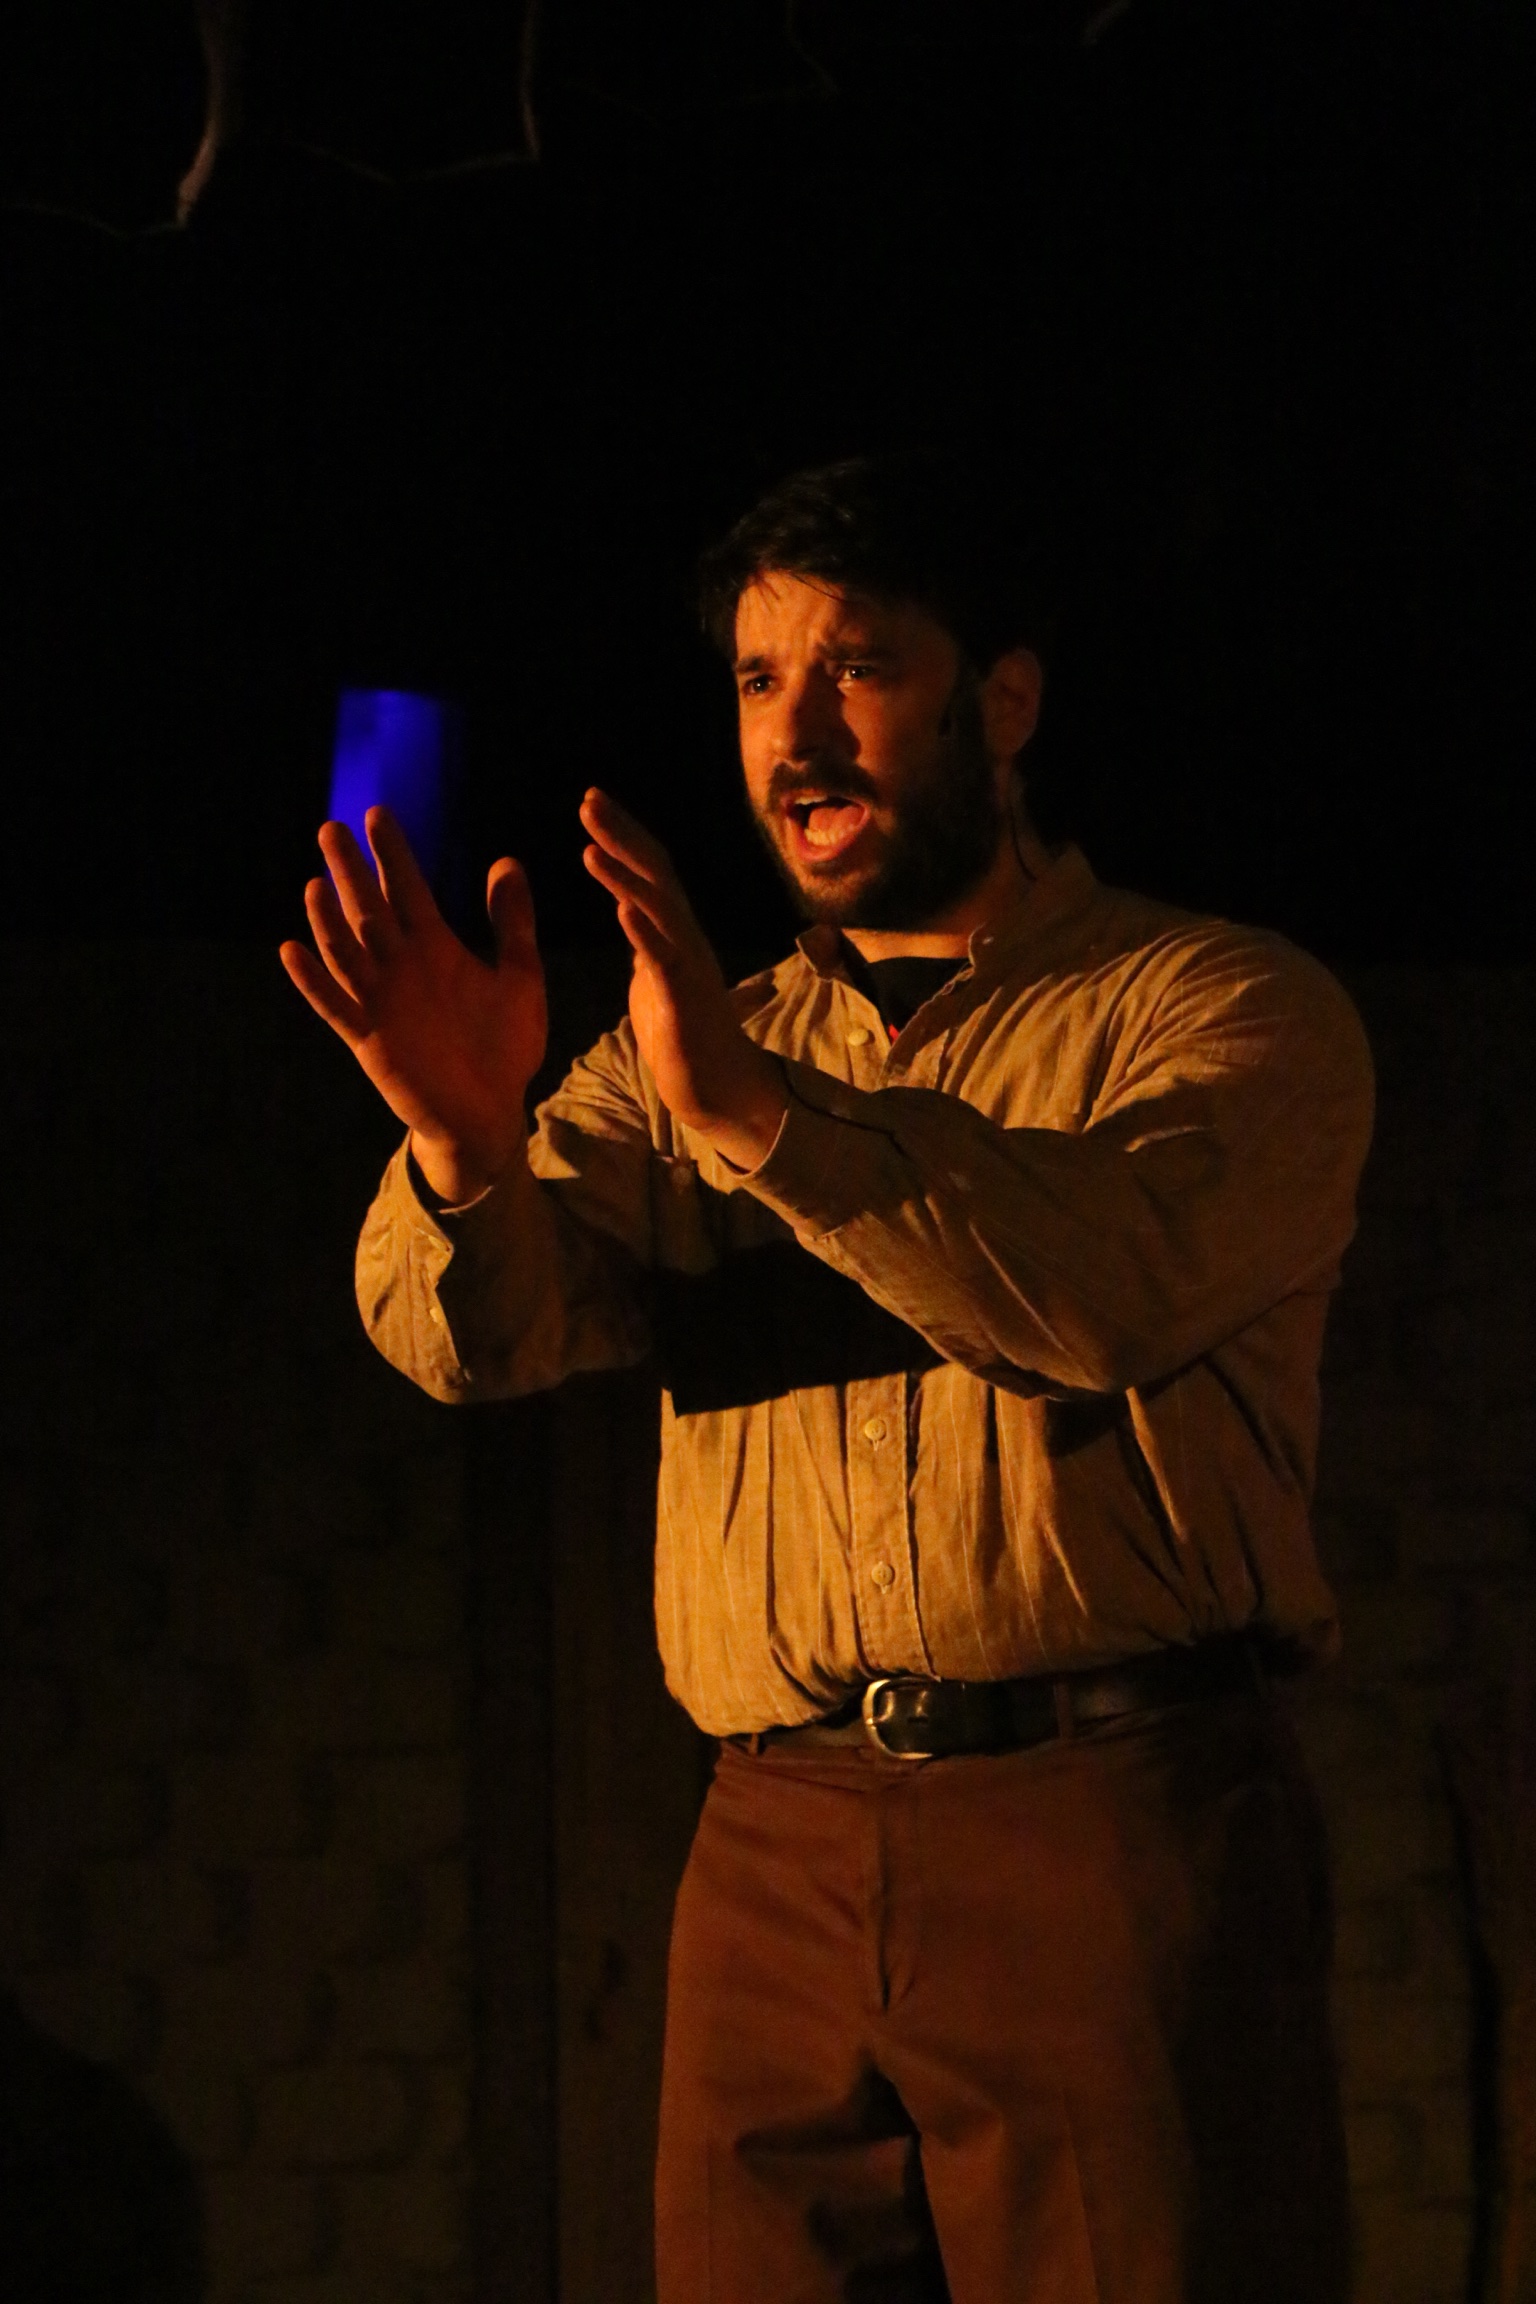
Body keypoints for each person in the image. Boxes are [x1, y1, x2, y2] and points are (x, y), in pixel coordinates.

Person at [281, 454, 1374, 2304]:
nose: (797, 735)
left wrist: (763, 1124)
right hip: (774, 1845)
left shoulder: (1218, 1012)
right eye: (757, 679)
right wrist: (464, 1145)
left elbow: (1103, 1293)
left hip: (1103, 1818)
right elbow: (476, 1337)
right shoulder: (693, 1043)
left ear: (1001, 703)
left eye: (857, 668)